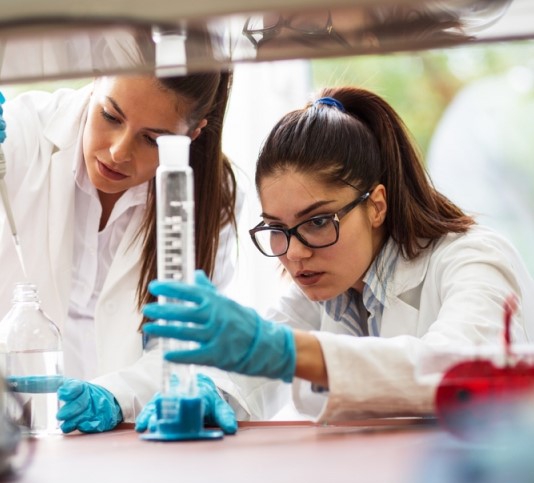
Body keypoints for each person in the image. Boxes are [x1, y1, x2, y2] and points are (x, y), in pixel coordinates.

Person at [139, 86, 534, 423]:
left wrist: (286, 350)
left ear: (376, 205)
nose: (293, 253)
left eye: (317, 222)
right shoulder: (333, 288)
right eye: (277, 229)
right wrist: (209, 393)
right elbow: (250, 377)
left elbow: (456, 371)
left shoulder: (475, 260)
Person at [0, 68, 241, 434]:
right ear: (95, 79)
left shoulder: (210, 199)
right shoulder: (19, 135)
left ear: (191, 135)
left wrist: (115, 395)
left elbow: (183, 348)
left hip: (128, 443)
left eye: (151, 139)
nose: (118, 151)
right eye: (111, 116)